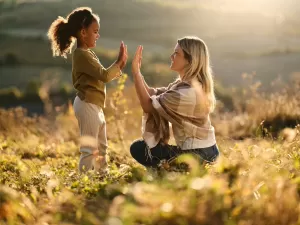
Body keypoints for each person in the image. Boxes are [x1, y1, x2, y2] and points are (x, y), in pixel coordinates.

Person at [47, 7, 128, 172]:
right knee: (89, 150)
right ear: (83, 33)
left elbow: (102, 75)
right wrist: (119, 62)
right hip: (87, 105)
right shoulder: (82, 55)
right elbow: (104, 75)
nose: (98, 35)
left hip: (94, 106)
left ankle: (102, 176)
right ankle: (84, 181)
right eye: (95, 31)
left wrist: (119, 66)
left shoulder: (88, 54)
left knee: (102, 147)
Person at [130, 36, 219, 168]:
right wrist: (138, 71)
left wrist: (136, 73)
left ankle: (170, 170)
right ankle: (168, 169)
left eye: (177, 53)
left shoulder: (186, 92)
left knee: (139, 149)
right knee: (141, 147)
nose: (172, 56)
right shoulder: (182, 86)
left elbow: (148, 106)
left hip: (199, 154)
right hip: (206, 151)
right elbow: (152, 93)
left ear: (189, 60)